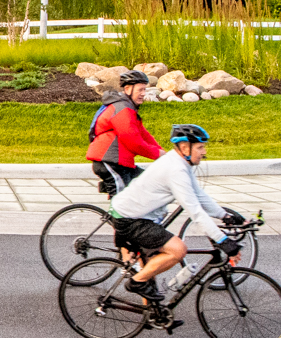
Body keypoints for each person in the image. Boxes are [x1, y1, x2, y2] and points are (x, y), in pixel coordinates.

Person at [108, 124, 244, 304]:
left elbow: (199, 195)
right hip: (130, 219)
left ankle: (153, 314)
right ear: (185, 148)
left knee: (152, 263)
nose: (204, 152)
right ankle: (136, 282)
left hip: (139, 216)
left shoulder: (180, 163)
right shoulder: (176, 170)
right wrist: (222, 240)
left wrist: (224, 215)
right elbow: (195, 211)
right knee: (178, 250)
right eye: (200, 147)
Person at [87, 70, 162, 198]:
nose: (143, 94)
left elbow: (143, 134)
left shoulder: (128, 108)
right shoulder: (122, 109)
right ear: (128, 89)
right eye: (140, 90)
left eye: (145, 90)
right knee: (123, 203)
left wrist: (162, 153)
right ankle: (120, 218)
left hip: (120, 163)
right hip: (110, 163)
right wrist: (158, 154)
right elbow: (133, 142)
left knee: (148, 185)